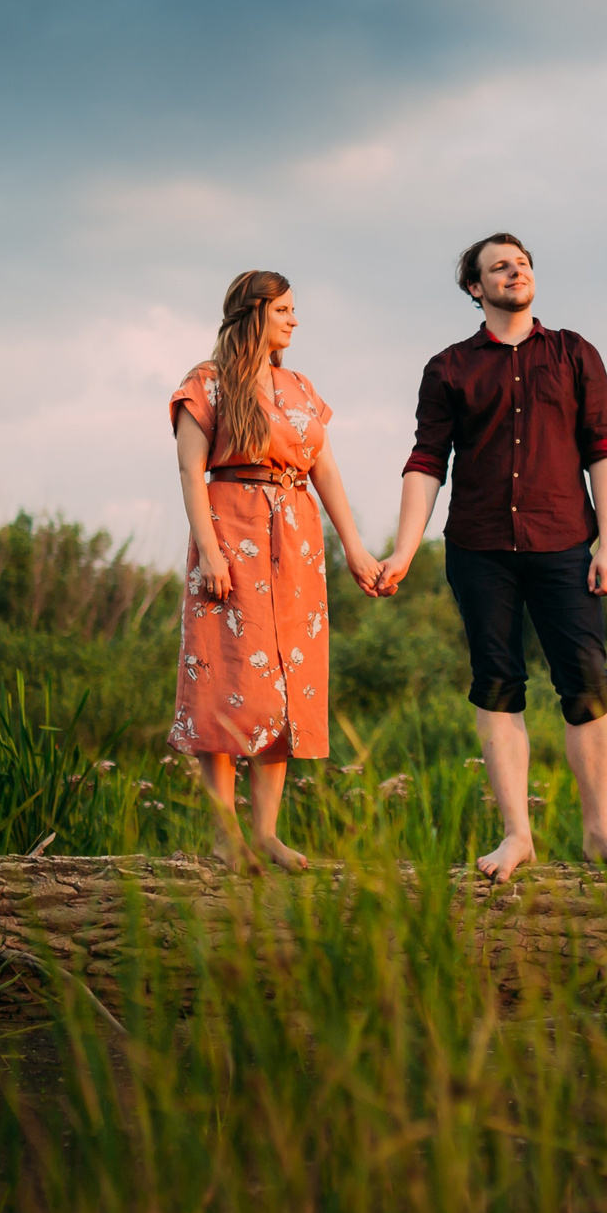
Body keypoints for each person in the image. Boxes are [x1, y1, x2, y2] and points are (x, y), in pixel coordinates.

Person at [378, 233, 607, 883]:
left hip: (566, 543)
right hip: (479, 550)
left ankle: (600, 833)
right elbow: (426, 463)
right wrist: (403, 550)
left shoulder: (574, 353)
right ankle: (517, 836)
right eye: (499, 266)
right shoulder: (448, 368)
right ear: (476, 288)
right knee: (497, 683)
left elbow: (603, 448)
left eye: (522, 262)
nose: (515, 270)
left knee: (586, 684)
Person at [169, 270, 385, 872]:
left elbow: (327, 472)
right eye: (284, 309)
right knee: (222, 680)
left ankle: (265, 833)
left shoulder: (299, 386)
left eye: (295, 309)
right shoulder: (207, 383)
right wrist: (210, 552)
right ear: (253, 313)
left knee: (284, 686)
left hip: (296, 541)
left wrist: (357, 549)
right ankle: (224, 835)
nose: (294, 320)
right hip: (231, 532)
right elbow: (191, 473)